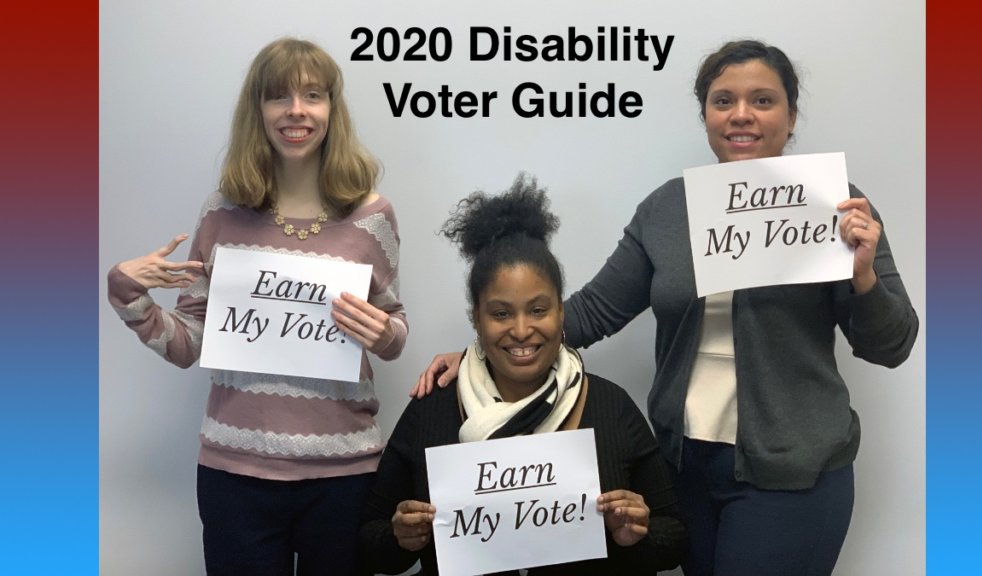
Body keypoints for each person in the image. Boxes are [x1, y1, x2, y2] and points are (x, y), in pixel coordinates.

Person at [414, 40, 919, 576]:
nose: (741, 114)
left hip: (792, 473)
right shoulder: (666, 211)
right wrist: (480, 354)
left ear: (791, 116)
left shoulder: (836, 204)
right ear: (705, 114)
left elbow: (892, 344)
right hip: (686, 468)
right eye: (724, 100)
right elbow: (591, 313)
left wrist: (862, 274)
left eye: (762, 100)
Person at [107, 38, 407, 575]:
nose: (296, 110)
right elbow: (191, 345)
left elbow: (394, 327)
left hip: (345, 474)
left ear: (332, 110)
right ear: (258, 111)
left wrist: (386, 336)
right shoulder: (222, 212)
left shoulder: (373, 216)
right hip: (235, 476)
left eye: (312, 95)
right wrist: (130, 296)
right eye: (278, 97)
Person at [359, 174, 685, 575]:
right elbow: (369, 542)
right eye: (500, 314)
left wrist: (638, 531)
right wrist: (399, 537)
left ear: (561, 313)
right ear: (475, 320)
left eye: (538, 310)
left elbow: (675, 539)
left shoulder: (611, 407)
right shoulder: (434, 408)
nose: (520, 330)